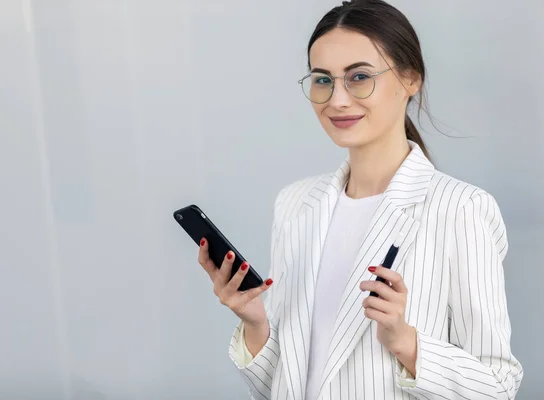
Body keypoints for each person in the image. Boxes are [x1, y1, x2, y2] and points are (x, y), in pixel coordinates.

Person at [197, 0, 523, 398]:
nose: (337, 100)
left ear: (410, 79)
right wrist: (254, 323)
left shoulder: (460, 209)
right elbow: (284, 387)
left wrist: (405, 341)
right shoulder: (295, 205)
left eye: (359, 77)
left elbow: (498, 386)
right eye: (322, 80)